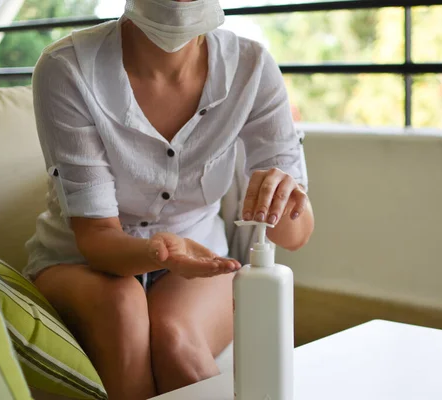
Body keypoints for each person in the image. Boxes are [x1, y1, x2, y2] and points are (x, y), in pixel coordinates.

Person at [23, 0, 314, 398]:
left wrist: (285, 196)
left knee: (178, 341)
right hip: (81, 260)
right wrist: (161, 252)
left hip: (199, 259)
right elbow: (96, 238)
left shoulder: (252, 67)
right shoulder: (67, 67)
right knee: (123, 308)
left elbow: (294, 236)